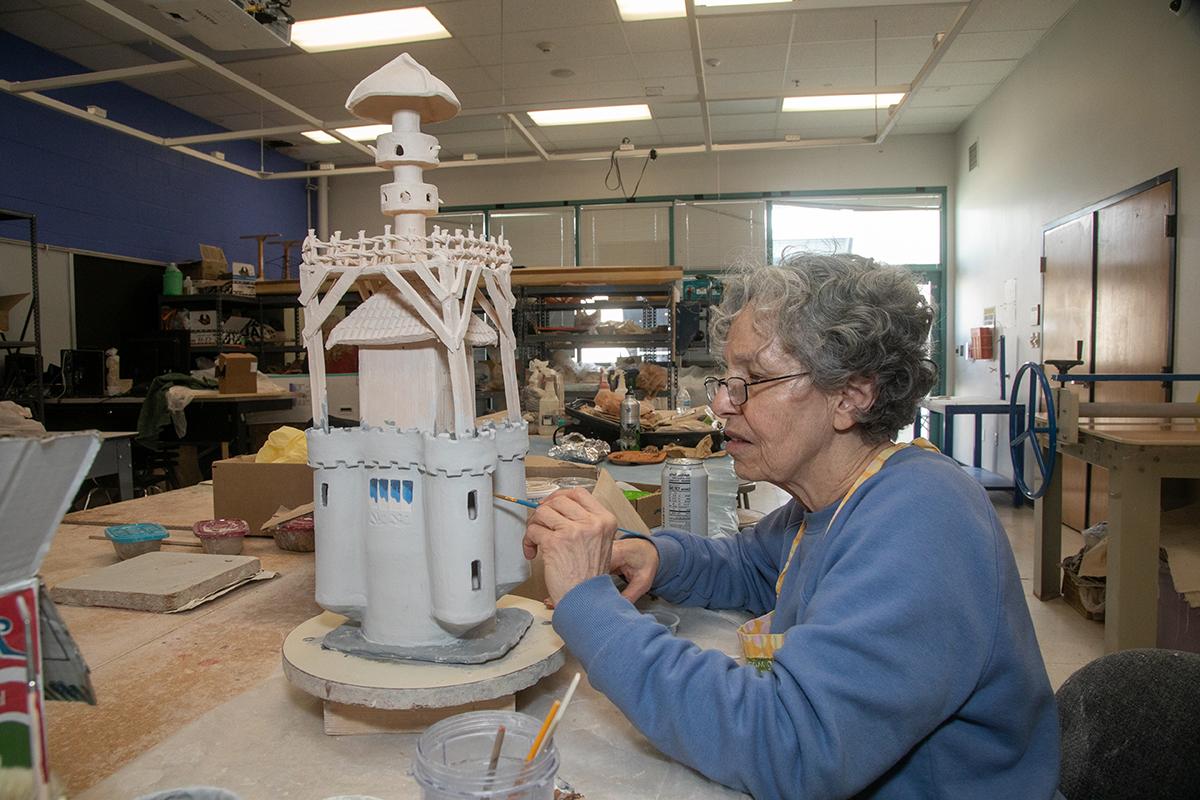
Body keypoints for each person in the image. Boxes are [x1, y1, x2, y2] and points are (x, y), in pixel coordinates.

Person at [523, 253, 1060, 800]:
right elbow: (754, 564)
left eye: (752, 380)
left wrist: (590, 606)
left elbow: (791, 745)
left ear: (850, 395)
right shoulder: (837, 498)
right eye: (726, 381)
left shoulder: (924, 519)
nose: (722, 408)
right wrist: (658, 557)